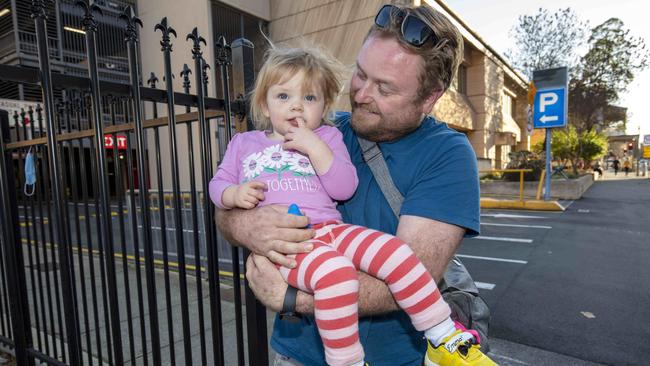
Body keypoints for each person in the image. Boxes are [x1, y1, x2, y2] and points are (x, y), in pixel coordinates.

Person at [216, 3, 488, 365]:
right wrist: (246, 223)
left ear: (429, 98)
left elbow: (408, 274)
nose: (360, 94)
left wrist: (291, 299)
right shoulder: (327, 127)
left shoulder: (447, 154)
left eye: (384, 88)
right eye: (361, 74)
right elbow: (225, 208)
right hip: (294, 352)